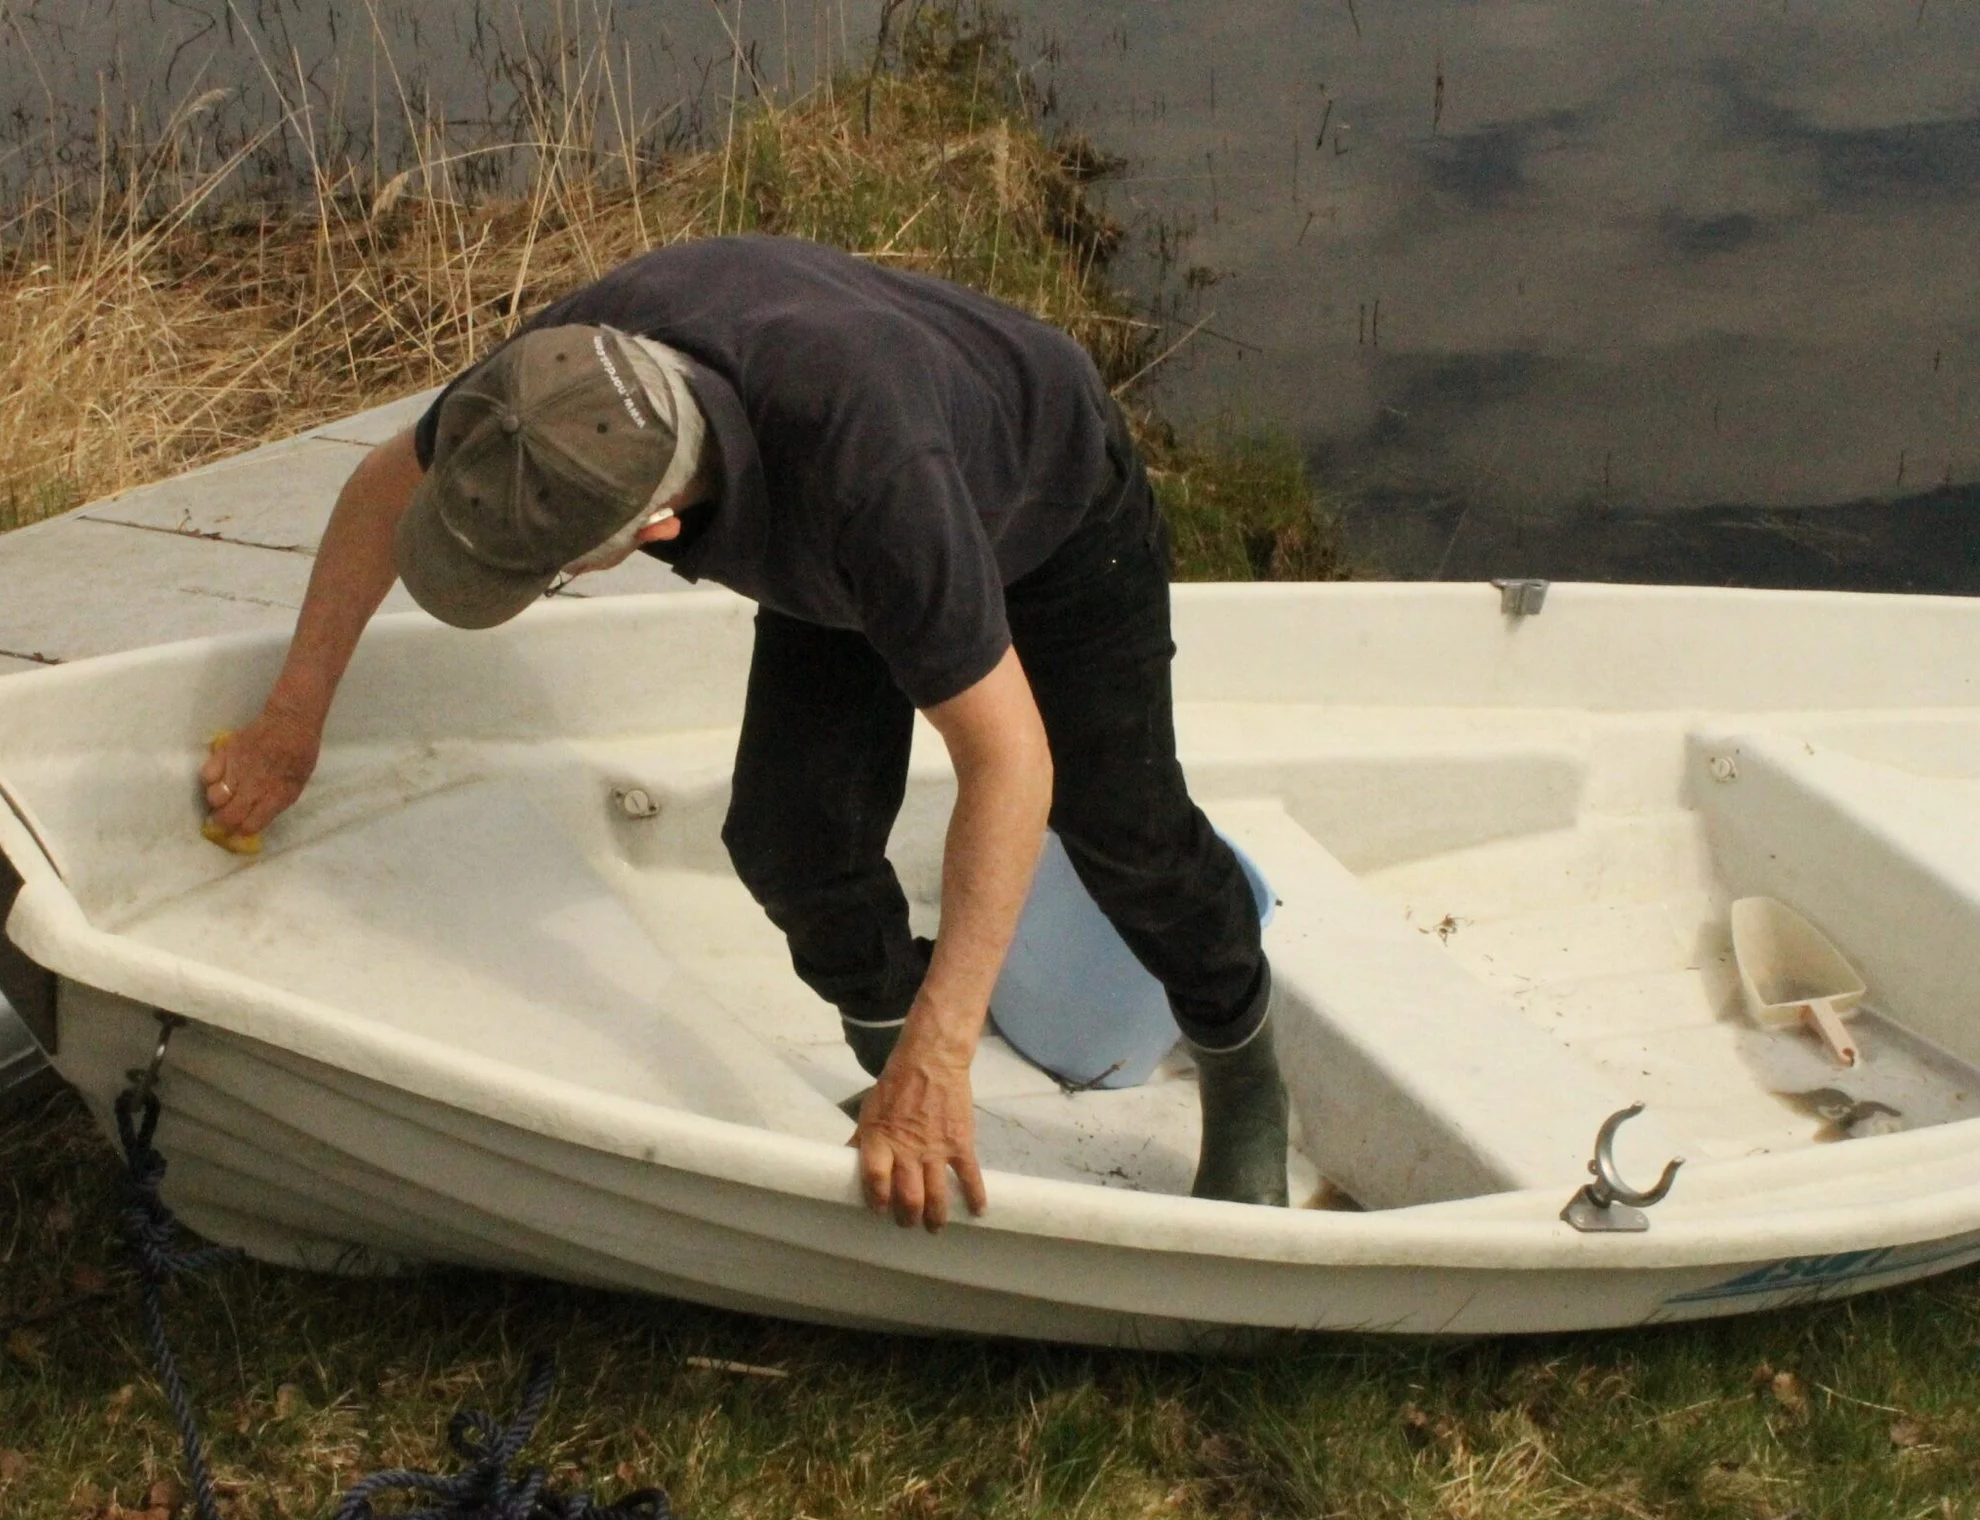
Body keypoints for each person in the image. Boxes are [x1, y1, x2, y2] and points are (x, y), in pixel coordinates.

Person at [200, 235, 1289, 1231]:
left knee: (1122, 827)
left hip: (1044, 503)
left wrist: (948, 1047)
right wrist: (291, 720)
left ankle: (1243, 1071)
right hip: (847, 525)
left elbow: (1009, 762)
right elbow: (380, 487)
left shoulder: (872, 479)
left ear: (658, 528)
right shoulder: (554, 385)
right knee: (788, 837)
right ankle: (891, 1062)